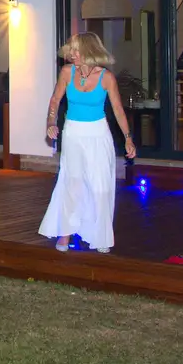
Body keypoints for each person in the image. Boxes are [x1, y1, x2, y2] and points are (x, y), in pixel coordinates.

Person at [37, 32, 135, 254]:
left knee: (100, 185)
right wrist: (50, 122)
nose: (72, 54)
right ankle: (65, 234)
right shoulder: (66, 72)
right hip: (72, 133)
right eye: (70, 50)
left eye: (76, 50)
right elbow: (55, 100)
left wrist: (128, 138)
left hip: (98, 135)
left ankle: (100, 235)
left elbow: (118, 110)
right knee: (72, 182)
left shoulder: (106, 77)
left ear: (89, 51)